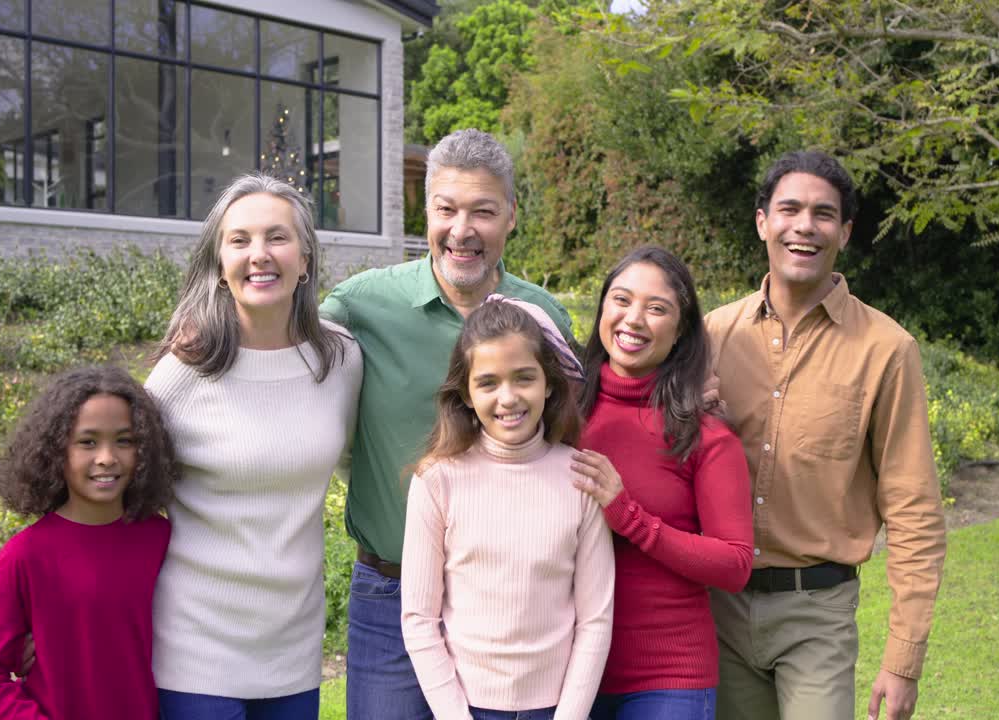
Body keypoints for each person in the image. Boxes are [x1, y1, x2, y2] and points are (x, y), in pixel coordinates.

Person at [318, 128, 574, 719]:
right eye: (447, 209)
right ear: (426, 211)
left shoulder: (543, 317)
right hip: (390, 594)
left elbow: (591, 416)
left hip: (510, 604)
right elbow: (273, 344)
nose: (462, 230)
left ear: (511, 216)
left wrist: (696, 381)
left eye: (483, 211)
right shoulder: (359, 308)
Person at [705, 151, 947, 720]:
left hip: (818, 613)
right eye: (789, 209)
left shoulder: (887, 350)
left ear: (845, 232)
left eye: (823, 213)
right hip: (718, 611)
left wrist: (904, 659)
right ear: (763, 221)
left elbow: (913, 509)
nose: (804, 226)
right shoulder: (711, 334)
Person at [146, 174, 362, 719]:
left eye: (277, 237)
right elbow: (117, 491)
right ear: (220, 262)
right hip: (192, 646)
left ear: (306, 258)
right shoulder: (184, 370)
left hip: (293, 647)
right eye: (239, 240)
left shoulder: (340, 360)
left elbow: (363, 464)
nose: (259, 255)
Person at [400, 300, 614, 720]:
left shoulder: (578, 479)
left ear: (548, 383)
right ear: (466, 393)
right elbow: (419, 619)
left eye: (524, 378)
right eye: (488, 383)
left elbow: (595, 619)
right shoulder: (438, 481)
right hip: (468, 707)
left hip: (556, 708)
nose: (508, 397)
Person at [569, 246, 753, 720]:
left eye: (657, 309)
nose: (633, 319)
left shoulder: (705, 434)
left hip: (668, 678)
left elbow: (734, 564)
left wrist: (628, 516)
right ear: (602, 310)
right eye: (621, 300)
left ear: (681, 331)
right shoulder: (559, 414)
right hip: (563, 672)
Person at [0, 365, 176, 720]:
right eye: (87, 442)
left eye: (124, 440)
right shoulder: (24, 557)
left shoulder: (162, 539)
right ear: (55, 451)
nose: (107, 457)